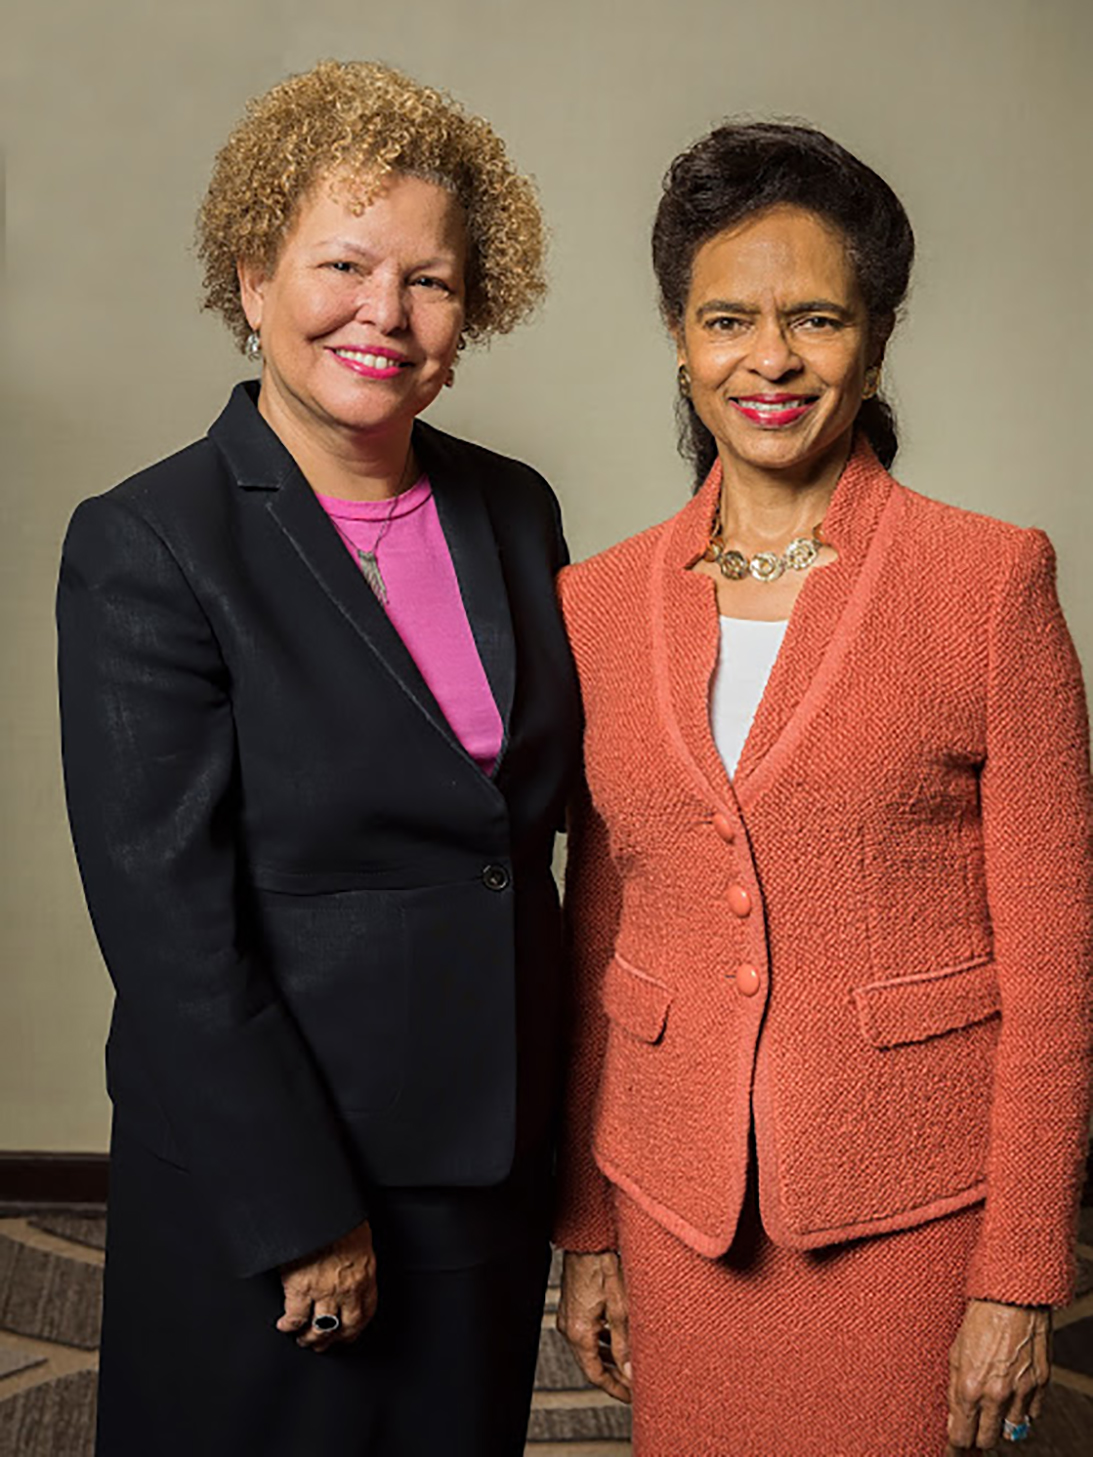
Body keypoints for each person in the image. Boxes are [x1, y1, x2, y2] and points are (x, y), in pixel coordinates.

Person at [57, 60, 580, 1457]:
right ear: (250, 275)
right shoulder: (151, 542)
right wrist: (299, 1211)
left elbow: (533, 831)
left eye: (430, 279)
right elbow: (168, 926)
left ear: (476, 306)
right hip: (277, 1168)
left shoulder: (513, 510)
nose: (384, 314)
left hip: (483, 1155)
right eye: (342, 264)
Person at [553, 121, 1092, 1457]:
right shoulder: (596, 604)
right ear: (679, 339)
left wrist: (1016, 1270)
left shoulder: (987, 581)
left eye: (813, 318)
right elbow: (598, 940)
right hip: (674, 1208)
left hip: (909, 1210)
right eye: (725, 318)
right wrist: (586, 1226)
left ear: (877, 333)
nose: (769, 359)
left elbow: (1057, 964)